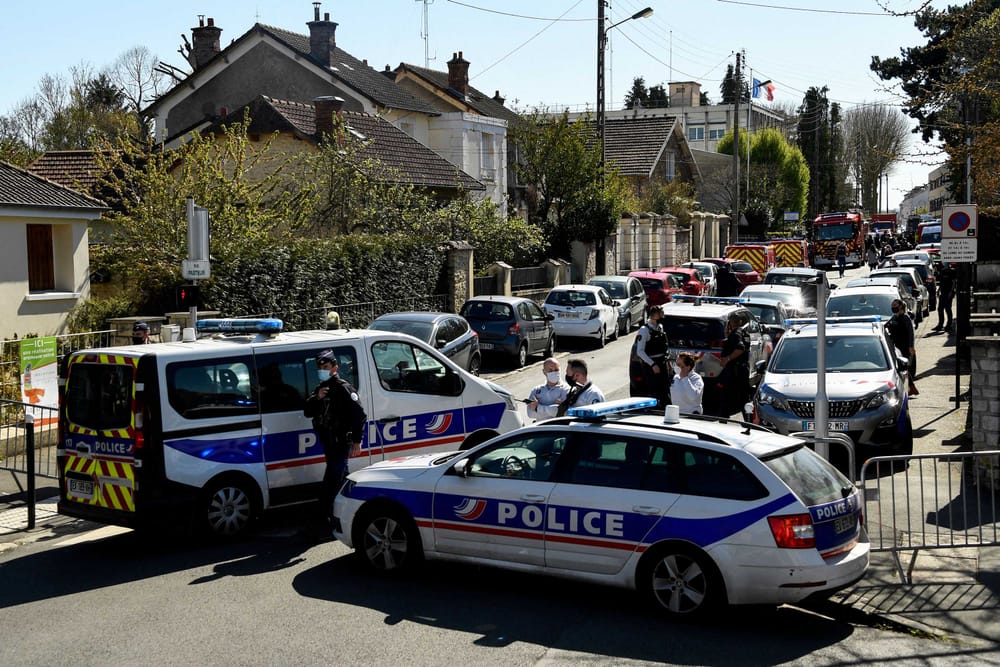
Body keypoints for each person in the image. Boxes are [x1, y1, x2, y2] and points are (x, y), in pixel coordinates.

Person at [304, 349, 367, 519]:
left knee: (332, 480)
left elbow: (360, 416)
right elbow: (308, 412)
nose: (322, 370)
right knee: (341, 478)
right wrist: (316, 398)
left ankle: (322, 518)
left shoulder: (343, 388)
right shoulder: (321, 389)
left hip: (340, 442)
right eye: (320, 367)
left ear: (335, 368)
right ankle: (349, 512)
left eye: (325, 366)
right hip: (328, 443)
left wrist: (357, 440)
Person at [709, 312, 751, 418]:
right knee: (743, 397)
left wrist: (728, 358)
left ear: (730, 322)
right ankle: (748, 419)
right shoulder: (744, 333)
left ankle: (723, 418)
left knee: (725, 395)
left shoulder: (735, 334)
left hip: (734, 370)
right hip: (742, 369)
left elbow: (740, 348)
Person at [631, 305, 672, 406]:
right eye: (661, 313)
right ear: (654, 315)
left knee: (665, 389)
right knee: (654, 391)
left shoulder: (660, 327)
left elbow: (664, 347)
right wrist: (652, 364)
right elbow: (640, 351)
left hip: (662, 363)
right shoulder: (644, 330)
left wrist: (668, 363)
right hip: (651, 365)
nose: (663, 316)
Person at [886, 299, 919, 396]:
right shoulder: (894, 318)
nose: (893, 307)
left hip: (905, 346)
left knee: (903, 368)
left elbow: (911, 333)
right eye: (892, 305)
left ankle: (911, 388)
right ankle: (912, 388)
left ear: (900, 306)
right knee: (901, 368)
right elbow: (887, 326)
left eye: (895, 305)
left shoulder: (905, 318)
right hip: (897, 347)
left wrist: (911, 347)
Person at [933, 263, 956, 333]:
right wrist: (939, 290)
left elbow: (954, 282)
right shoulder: (943, 271)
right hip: (942, 292)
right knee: (940, 309)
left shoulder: (952, 271)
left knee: (948, 309)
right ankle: (940, 325)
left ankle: (949, 325)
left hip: (949, 292)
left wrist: (951, 292)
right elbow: (941, 282)